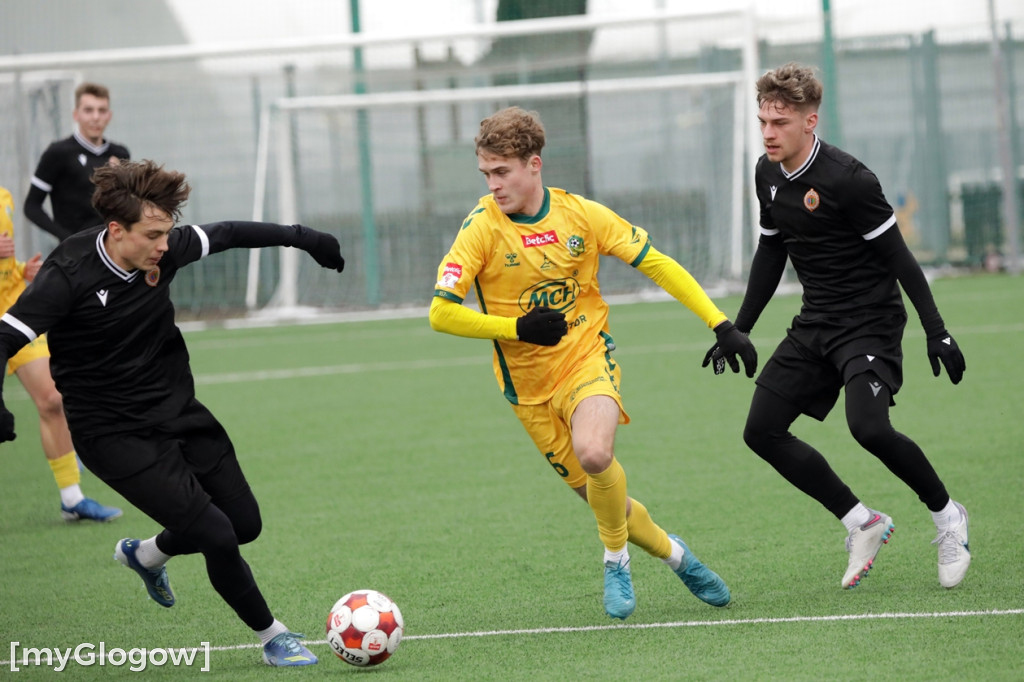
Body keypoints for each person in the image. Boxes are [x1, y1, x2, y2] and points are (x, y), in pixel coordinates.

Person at [0, 160, 347, 667]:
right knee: (216, 535)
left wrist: (304, 237)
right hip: (113, 434)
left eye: (168, 231)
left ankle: (146, 555)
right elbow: (5, 336)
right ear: (117, 231)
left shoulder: (161, 249)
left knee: (244, 522)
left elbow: (226, 233)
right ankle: (273, 636)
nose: (166, 243)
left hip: (178, 411)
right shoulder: (68, 274)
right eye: (155, 234)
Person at [428, 106, 757, 620]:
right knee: (607, 499)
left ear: (534, 164)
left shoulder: (581, 215)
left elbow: (658, 263)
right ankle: (677, 556)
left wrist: (721, 324)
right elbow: (440, 314)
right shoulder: (481, 229)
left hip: (585, 361)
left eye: (502, 172)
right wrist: (516, 328)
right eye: (486, 174)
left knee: (596, 455)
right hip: (527, 391)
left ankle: (614, 560)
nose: (493, 185)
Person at [706, 62, 970, 590]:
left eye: (779, 122)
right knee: (761, 431)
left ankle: (947, 518)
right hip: (816, 321)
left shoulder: (850, 179)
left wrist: (936, 330)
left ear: (810, 121)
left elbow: (901, 260)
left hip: (870, 322)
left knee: (868, 428)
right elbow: (771, 248)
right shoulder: (767, 174)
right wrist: (740, 327)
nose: (768, 132)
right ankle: (862, 522)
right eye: (762, 121)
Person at [0, 185, 122, 522]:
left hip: (10, 309)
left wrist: (20, 269)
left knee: (53, 399)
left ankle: (72, 498)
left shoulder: (4, 196)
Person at [24, 82, 130, 242]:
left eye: (101, 110)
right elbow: (31, 206)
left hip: (114, 249)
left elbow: (127, 206)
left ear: (109, 116)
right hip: (75, 258)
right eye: (88, 110)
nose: (96, 117)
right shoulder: (58, 152)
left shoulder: (120, 154)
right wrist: (66, 239)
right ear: (76, 115)